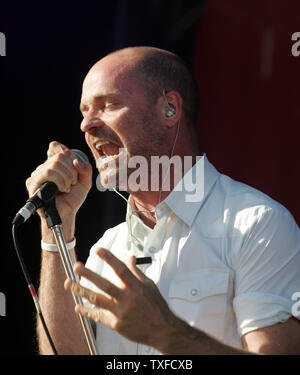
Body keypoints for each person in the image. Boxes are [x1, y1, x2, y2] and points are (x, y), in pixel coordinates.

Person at [26, 46, 300, 355]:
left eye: (108, 104)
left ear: (169, 108)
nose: (87, 125)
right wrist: (55, 225)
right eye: (85, 110)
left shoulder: (258, 223)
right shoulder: (107, 247)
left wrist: (168, 334)